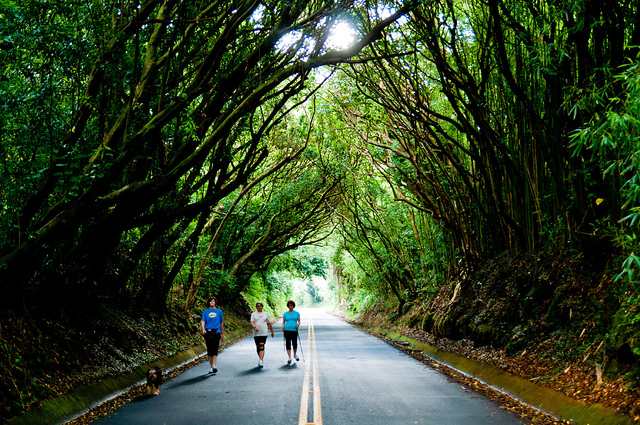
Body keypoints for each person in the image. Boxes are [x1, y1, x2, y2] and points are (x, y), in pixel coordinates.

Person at [201, 296, 225, 374]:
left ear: (215, 303)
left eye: (213, 301)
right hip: (208, 332)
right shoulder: (205, 311)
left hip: (216, 332)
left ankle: (214, 366)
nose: (212, 302)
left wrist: (222, 334)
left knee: (215, 349)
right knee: (209, 350)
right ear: (208, 303)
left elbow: (221, 323)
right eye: (210, 301)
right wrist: (203, 329)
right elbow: (203, 321)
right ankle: (211, 366)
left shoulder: (219, 311)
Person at [250, 302, 274, 368]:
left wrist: (272, 331)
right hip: (256, 333)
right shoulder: (253, 314)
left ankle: (261, 360)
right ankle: (260, 358)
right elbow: (251, 322)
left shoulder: (265, 314)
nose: (259, 307)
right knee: (258, 347)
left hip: (264, 332)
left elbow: (269, 323)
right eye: (258, 306)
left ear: (262, 307)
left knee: (261, 346)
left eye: (260, 306)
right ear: (256, 307)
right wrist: (254, 327)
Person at [282, 300, 301, 365]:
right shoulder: (285, 314)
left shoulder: (297, 313)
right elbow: (283, 322)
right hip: (287, 330)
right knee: (288, 343)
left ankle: (295, 354)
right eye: (289, 305)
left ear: (293, 306)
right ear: (288, 306)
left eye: (291, 305)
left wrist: (298, 325)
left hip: (294, 330)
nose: (290, 306)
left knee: (294, 343)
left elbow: (299, 321)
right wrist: (283, 327)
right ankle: (289, 357)